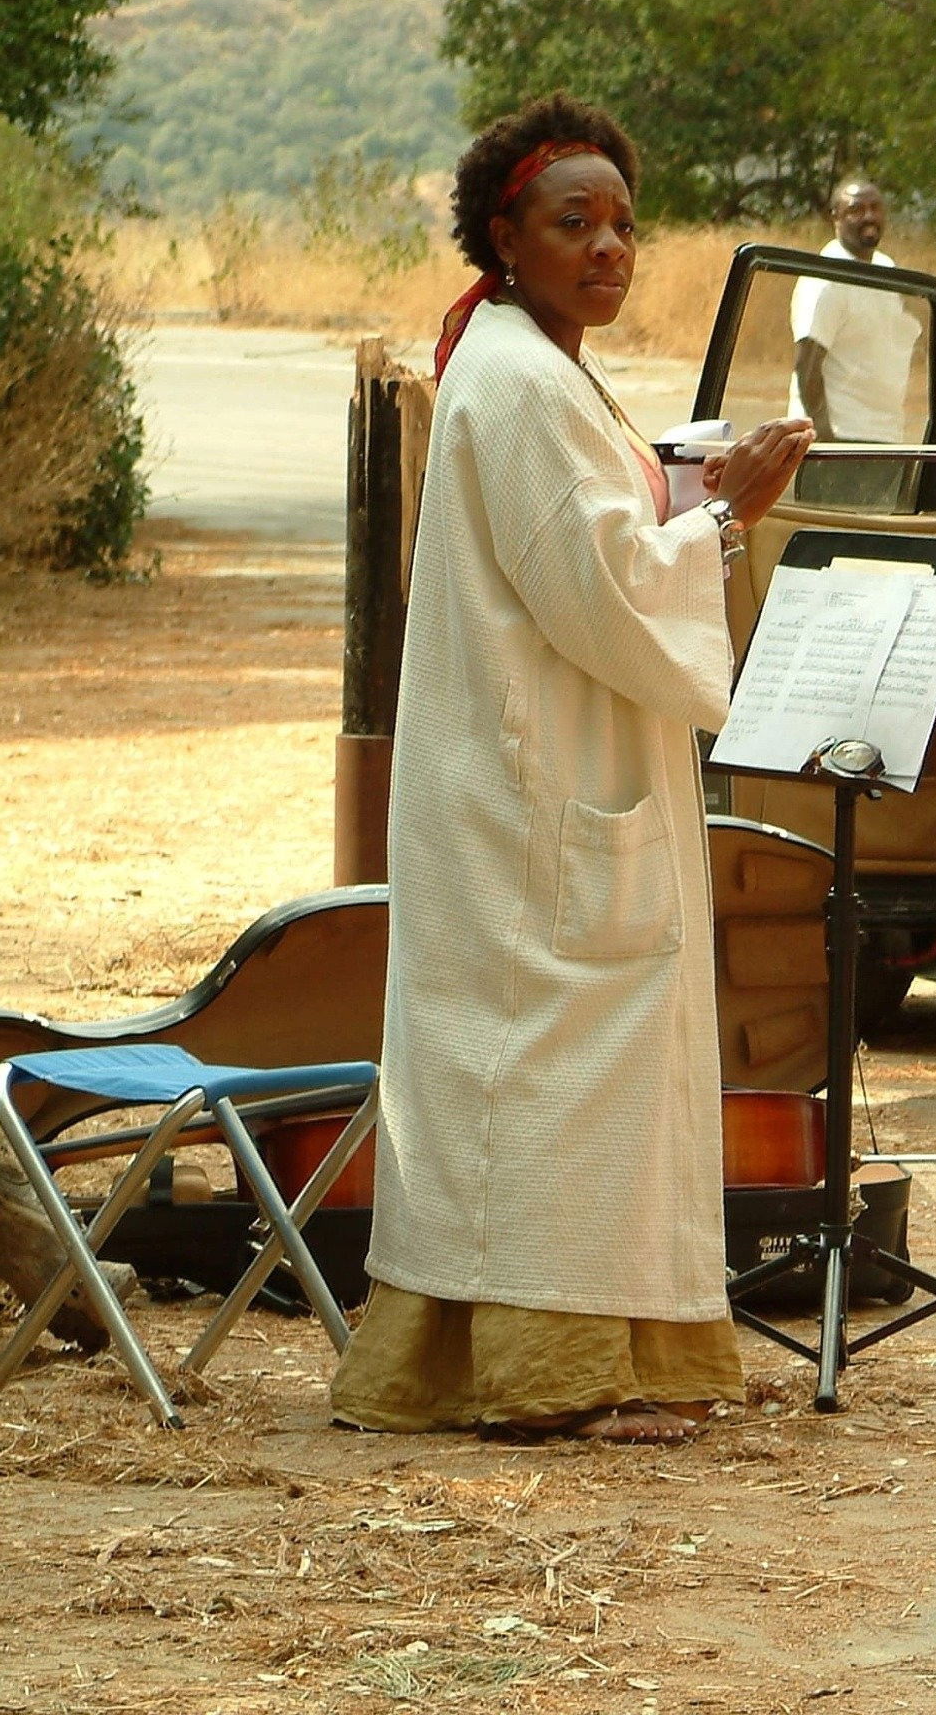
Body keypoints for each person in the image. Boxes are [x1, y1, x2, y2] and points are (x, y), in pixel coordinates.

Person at [328, 97, 813, 1444]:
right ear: (506, 237)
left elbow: (594, 537)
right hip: (527, 789)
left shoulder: (531, 360)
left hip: (538, 770)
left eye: (623, 226)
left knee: (558, 1069)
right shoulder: (522, 381)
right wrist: (728, 515)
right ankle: (550, 1374)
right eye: (574, 222)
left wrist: (686, 492)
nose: (608, 248)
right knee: (545, 1070)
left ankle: (599, 1354)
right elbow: (598, 585)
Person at [787, 177, 919, 510]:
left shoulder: (886, 269)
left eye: (875, 208)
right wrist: (826, 445)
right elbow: (807, 364)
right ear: (835, 217)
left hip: (885, 439)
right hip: (840, 443)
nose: (868, 216)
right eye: (856, 209)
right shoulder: (825, 279)